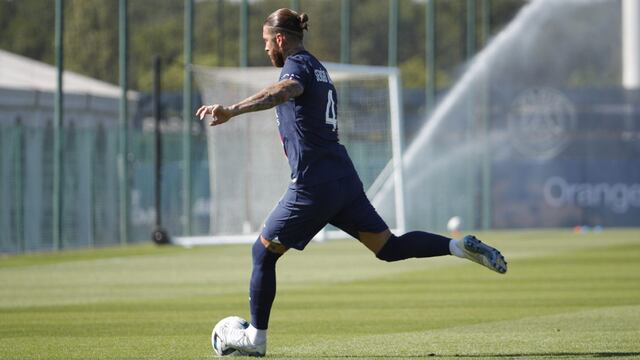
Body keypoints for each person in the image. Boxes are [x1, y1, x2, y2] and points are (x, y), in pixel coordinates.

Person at [196, 8, 507, 357]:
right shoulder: (320, 69)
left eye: (267, 42)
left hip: (314, 184)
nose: (266, 49)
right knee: (388, 247)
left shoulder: (295, 67)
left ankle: (256, 338)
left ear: (280, 39)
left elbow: (286, 89)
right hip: (343, 179)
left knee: (262, 253)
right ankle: (457, 246)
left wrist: (233, 110)